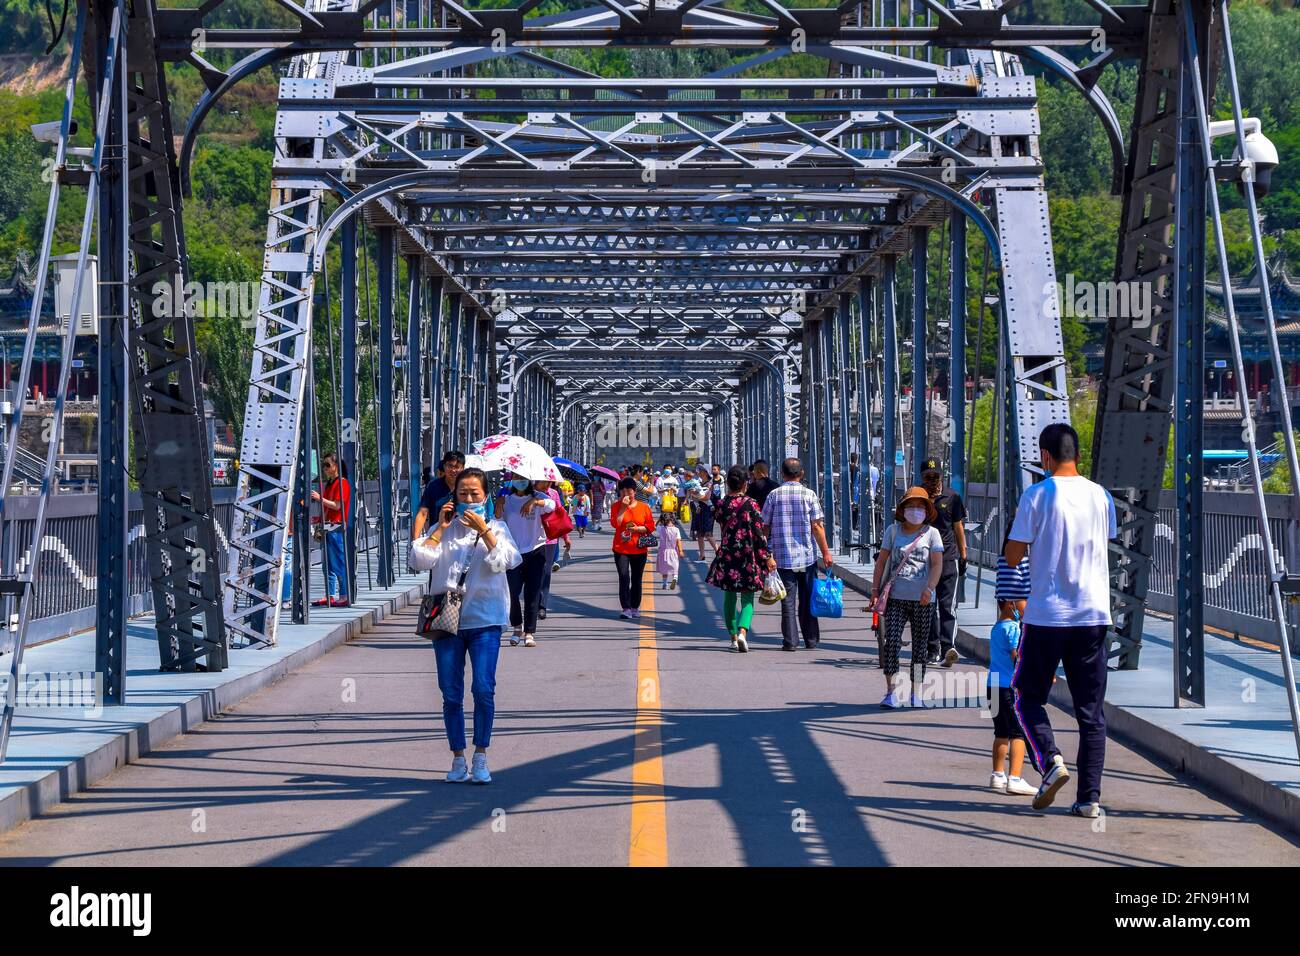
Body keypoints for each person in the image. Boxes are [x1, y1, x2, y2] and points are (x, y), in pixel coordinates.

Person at [1004, 422, 1117, 818]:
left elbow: (1014, 556)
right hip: (1093, 614)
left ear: (1045, 457)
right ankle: (1089, 800)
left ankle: (1050, 761)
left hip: (1048, 615)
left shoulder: (1037, 495)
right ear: (1079, 455)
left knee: (1026, 695)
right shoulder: (1102, 497)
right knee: (1091, 712)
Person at [410, 466, 521, 785]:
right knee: (451, 692)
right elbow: (419, 561)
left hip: (485, 619)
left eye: (475, 494)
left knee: (484, 688)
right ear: (452, 498)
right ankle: (458, 758)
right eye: (463, 494)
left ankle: (481, 755)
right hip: (447, 620)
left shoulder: (498, 528)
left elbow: (504, 563)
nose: (469, 499)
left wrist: (485, 530)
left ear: (486, 497)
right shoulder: (443, 529)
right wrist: (439, 530)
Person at [869, 486, 944, 708]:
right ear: (903, 509)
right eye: (911, 506)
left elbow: (938, 564)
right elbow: (881, 562)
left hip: (923, 599)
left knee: (920, 648)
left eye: (920, 507)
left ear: (927, 511)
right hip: (896, 598)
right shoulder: (893, 531)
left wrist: (929, 588)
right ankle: (891, 691)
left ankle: (915, 692)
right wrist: (875, 590)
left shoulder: (932, 534)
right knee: (891, 642)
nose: (915, 510)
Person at [761, 457, 834, 651]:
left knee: (788, 601)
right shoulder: (809, 495)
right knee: (807, 599)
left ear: (782, 474)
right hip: (807, 557)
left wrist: (766, 554)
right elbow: (817, 527)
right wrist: (826, 552)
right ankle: (811, 639)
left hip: (782, 557)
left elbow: (765, 527)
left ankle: (790, 642)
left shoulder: (773, 496)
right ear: (801, 474)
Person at [709, 465, 773, 652]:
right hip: (748, 556)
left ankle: (733, 637)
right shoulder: (751, 504)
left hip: (728, 554)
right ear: (745, 484)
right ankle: (743, 632)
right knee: (747, 598)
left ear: (728, 483)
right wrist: (766, 556)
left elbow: (720, 522)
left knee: (729, 598)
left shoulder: (721, 505)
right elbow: (759, 534)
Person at [495, 474, 555, 647]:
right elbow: (498, 520)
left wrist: (535, 502)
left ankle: (529, 632)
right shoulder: (506, 499)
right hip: (512, 552)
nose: (520, 480)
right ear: (511, 479)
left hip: (536, 551)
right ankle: (516, 628)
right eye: (516, 477)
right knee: (512, 592)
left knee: (532, 593)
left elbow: (553, 505)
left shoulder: (538, 496)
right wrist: (498, 505)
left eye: (523, 477)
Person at [919, 458, 968, 668]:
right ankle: (933, 649)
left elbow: (958, 527)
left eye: (935, 477)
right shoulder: (917, 497)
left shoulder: (953, 497)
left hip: (948, 558)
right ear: (922, 478)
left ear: (942, 476)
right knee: (928, 606)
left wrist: (963, 555)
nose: (932, 481)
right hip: (924, 560)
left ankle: (949, 647)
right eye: (928, 477)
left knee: (947, 606)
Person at [989, 591, 1036, 796]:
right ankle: (1015, 778)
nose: (1026, 605)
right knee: (1019, 733)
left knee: (1001, 732)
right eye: (1023, 602)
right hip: (1010, 688)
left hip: (993, 687)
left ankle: (997, 775)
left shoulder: (996, 627)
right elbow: (1017, 657)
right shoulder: (1013, 629)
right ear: (1010, 604)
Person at [310, 452, 352, 607]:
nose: (325, 468)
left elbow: (338, 505)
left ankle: (344, 595)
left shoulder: (342, 483)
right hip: (328, 527)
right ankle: (330, 595)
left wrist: (319, 498)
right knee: (327, 564)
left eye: (328, 465)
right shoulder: (331, 484)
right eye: (324, 465)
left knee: (338, 562)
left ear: (336, 467)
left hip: (335, 528)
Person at [610, 477, 656, 619]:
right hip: (621, 548)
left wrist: (637, 529)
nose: (625, 494)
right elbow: (616, 524)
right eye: (622, 491)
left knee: (637, 578)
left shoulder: (644, 507)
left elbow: (650, 526)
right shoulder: (616, 506)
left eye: (628, 491)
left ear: (634, 491)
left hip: (639, 549)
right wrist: (623, 508)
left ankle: (635, 606)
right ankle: (626, 608)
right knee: (624, 577)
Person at [413, 450, 465, 539]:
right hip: (436, 535)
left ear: (463, 468)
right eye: (450, 466)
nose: (453, 470)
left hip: (461, 539)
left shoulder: (467, 486)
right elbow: (422, 513)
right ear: (444, 466)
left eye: (457, 467)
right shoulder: (433, 486)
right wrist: (415, 540)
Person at [536, 478, 564, 619]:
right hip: (532, 539)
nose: (547, 484)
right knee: (533, 573)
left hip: (549, 539)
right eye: (544, 481)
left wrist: (566, 537)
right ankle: (533, 602)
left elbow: (560, 514)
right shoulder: (529, 494)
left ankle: (542, 605)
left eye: (549, 481)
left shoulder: (553, 494)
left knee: (546, 571)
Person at [687, 464, 718, 562]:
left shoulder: (710, 484)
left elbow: (707, 497)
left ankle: (718, 552)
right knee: (700, 534)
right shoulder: (700, 483)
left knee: (708, 533)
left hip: (708, 510)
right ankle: (702, 555)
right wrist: (693, 492)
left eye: (700, 470)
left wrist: (694, 496)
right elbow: (697, 495)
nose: (698, 472)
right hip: (700, 509)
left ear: (705, 472)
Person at [656, 509, 685, 590]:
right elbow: (678, 541)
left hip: (663, 552)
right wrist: (681, 551)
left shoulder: (661, 529)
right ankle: (675, 578)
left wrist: (659, 520)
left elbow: (655, 526)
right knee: (675, 567)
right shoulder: (676, 530)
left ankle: (665, 583)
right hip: (673, 552)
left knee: (664, 568)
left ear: (662, 521)